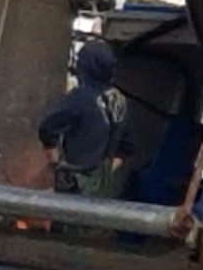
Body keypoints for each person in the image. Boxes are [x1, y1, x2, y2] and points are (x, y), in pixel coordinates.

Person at [37, 39, 135, 197]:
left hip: (74, 183)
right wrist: (104, 172)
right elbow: (127, 147)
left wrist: (57, 164)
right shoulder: (120, 99)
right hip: (102, 190)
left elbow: (47, 128)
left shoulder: (82, 96)